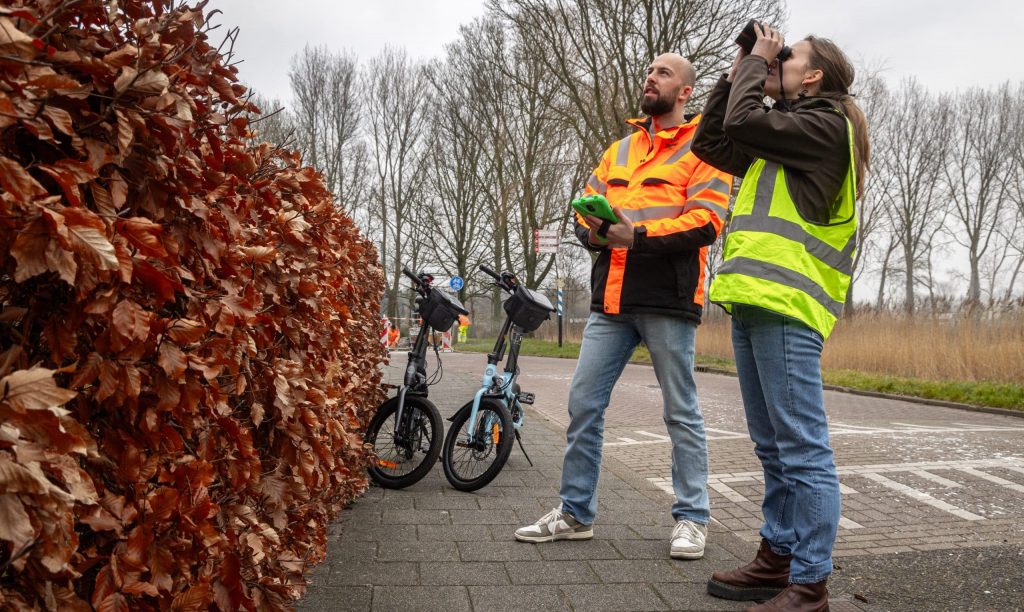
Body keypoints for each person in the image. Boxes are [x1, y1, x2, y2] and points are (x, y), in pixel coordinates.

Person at [514, 53, 733, 560]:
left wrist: (636, 235)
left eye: (662, 73)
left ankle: (693, 519)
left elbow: (706, 221)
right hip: (609, 300)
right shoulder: (620, 149)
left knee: (681, 411)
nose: (649, 78)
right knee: (583, 405)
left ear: (684, 93)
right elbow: (583, 210)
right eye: (648, 72)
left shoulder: (705, 151)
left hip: (667, 300)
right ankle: (575, 513)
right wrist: (593, 229)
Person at [691, 22, 870, 611]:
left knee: (802, 448)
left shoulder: (825, 126)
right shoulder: (787, 134)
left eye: (787, 56)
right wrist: (737, 68)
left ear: (813, 75)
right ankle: (778, 556)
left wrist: (754, 69)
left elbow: (744, 123)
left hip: (790, 306)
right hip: (755, 302)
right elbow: (714, 143)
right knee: (772, 445)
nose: (776, 58)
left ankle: (811, 582)